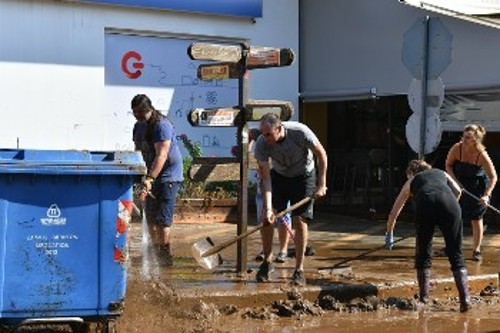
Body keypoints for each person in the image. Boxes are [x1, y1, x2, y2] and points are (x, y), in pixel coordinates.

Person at [385, 159, 471, 312]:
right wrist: (445, 216)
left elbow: (394, 212)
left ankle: (424, 298)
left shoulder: (413, 179)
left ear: (411, 172)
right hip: (450, 204)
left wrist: (389, 233)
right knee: (455, 252)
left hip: (426, 203)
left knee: (423, 251)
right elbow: (458, 191)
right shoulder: (441, 173)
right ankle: (465, 299)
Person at [254, 113, 327, 286]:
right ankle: (267, 262)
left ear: (279, 129)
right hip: (278, 176)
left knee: (300, 221)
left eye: (268, 134)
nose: (264, 138)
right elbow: (266, 179)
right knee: (266, 218)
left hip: (303, 176)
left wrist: (322, 184)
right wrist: (270, 207)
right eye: (262, 134)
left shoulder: (300, 132)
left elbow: (321, 154)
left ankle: (299, 270)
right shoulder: (261, 145)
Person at [131, 94, 184, 266]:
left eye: (141, 112)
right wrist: (138, 176)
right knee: (150, 218)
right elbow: (137, 153)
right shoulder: (138, 127)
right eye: (135, 112)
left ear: (149, 109)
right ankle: (153, 253)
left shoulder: (162, 125)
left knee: (162, 219)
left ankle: (165, 255)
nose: (138, 115)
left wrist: (150, 178)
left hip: (168, 175)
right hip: (150, 176)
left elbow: (161, 156)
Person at [445, 124, 497, 261]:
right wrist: (455, 181)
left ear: (475, 140)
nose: (464, 139)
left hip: (478, 188)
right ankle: (452, 247)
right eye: (464, 136)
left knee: (476, 219)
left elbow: (493, 177)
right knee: (454, 216)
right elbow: (448, 165)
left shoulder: (482, 154)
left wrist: (486, 195)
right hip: (459, 185)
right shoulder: (457, 148)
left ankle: (476, 250)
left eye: (468, 137)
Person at [249, 127, 291, 263]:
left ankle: (283, 250)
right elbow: (249, 132)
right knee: (263, 217)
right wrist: (247, 152)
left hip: (280, 182)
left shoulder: (283, 141)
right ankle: (266, 249)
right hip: (264, 182)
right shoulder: (259, 136)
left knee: (283, 216)